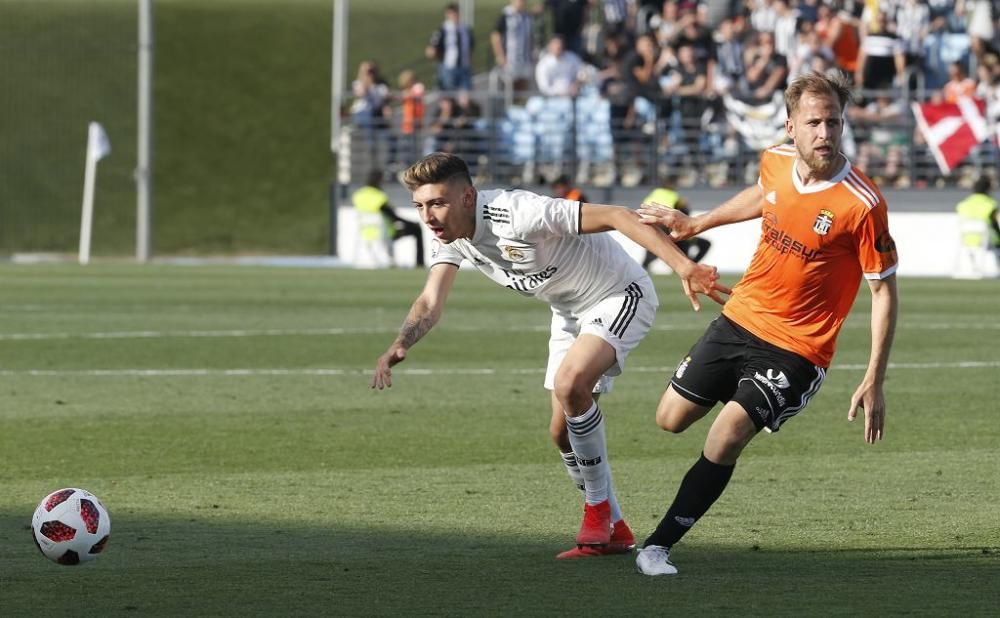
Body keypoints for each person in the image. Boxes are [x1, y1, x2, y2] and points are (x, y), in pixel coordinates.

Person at [371, 152, 729, 559]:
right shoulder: (451, 240)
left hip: (619, 293)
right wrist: (401, 343)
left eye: (437, 203)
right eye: (420, 206)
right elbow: (430, 300)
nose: (428, 217)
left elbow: (617, 214)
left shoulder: (518, 212)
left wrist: (683, 266)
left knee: (570, 384)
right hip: (569, 313)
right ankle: (616, 529)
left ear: (468, 197)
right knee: (561, 433)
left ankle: (595, 511)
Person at [632, 72, 899, 576]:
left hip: (797, 348)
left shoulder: (863, 205)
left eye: (834, 122)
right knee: (669, 419)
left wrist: (874, 378)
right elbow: (762, 195)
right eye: (814, 122)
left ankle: (657, 546)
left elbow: (882, 290)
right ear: (791, 126)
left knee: (726, 434)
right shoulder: (775, 161)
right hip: (740, 318)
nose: (825, 133)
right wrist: (696, 223)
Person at [352, 170, 425, 268]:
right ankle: (419, 263)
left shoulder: (358, 195)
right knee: (416, 229)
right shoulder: (379, 196)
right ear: (379, 181)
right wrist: (411, 223)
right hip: (385, 233)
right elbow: (393, 217)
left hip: (364, 232)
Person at [640, 177, 711, 271]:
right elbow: (684, 212)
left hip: (650, 228)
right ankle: (690, 267)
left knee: (653, 251)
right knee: (700, 244)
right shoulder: (674, 196)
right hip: (669, 228)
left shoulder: (652, 194)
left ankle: (644, 267)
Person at [955, 175, 1000, 275]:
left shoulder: (963, 204)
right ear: (988, 189)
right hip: (984, 240)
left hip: (965, 240)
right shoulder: (991, 204)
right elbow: (995, 227)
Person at [426, 3, 475, 93]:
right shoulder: (443, 29)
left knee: (465, 95)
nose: (454, 16)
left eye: (455, 13)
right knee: (450, 93)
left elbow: (471, 46)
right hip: (448, 67)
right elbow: (432, 47)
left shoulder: (465, 29)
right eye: (451, 13)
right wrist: (436, 56)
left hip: (464, 66)